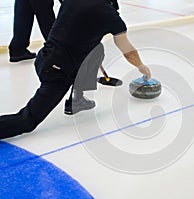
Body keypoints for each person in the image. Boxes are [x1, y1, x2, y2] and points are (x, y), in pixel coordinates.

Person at [0, 0, 151, 139]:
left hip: (43, 59)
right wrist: (141, 66)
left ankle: (77, 100)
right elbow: (127, 50)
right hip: (57, 73)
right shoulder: (111, 16)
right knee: (27, 121)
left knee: (97, 49)